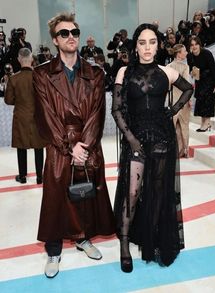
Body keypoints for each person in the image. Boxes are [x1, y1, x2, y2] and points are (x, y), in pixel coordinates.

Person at [32, 12, 115, 279]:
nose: (71, 37)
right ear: (55, 40)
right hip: (59, 146)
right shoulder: (41, 73)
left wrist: (86, 146)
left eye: (74, 33)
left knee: (86, 193)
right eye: (64, 33)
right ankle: (54, 249)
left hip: (87, 143)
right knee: (56, 198)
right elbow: (45, 116)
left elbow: (97, 114)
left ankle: (82, 237)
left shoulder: (96, 73)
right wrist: (71, 147)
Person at [112, 23, 193, 273]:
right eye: (142, 43)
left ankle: (154, 241)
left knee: (159, 193)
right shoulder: (124, 72)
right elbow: (116, 110)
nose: (147, 48)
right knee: (132, 194)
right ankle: (125, 246)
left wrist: (174, 109)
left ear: (158, 45)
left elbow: (188, 89)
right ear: (135, 46)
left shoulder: (166, 72)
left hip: (162, 139)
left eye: (152, 42)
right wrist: (132, 140)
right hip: (135, 138)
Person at [4, 48, 46, 184]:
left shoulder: (14, 79)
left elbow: (8, 100)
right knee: (39, 147)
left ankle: (22, 177)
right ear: (32, 59)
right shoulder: (40, 77)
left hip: (21, 117)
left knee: (21, 147)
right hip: (37, 117)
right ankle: (40, 177)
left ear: (18, 60)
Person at [187, 36, 215, 131]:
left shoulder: (206, 53)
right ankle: (203, 123)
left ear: (199, 44)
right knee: (201, 102)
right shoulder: (190, 56)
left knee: (208, 101)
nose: (194, 46)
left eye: (196, 44)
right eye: (192, 45)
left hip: (209, 80)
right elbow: (191, 69)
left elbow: (214, 69)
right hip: (199, 80)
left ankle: (207, 123)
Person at [167, 44, 191, 157]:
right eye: (184, 51)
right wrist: (189, 100)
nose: (186, 53)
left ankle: (175, 151)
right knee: (184, 126)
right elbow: (187, 85)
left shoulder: (168, 66)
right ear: (179, 54)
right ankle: (185, 150)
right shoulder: (185, 67)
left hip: (172, 101)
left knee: (173, 127)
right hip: (183, 100)